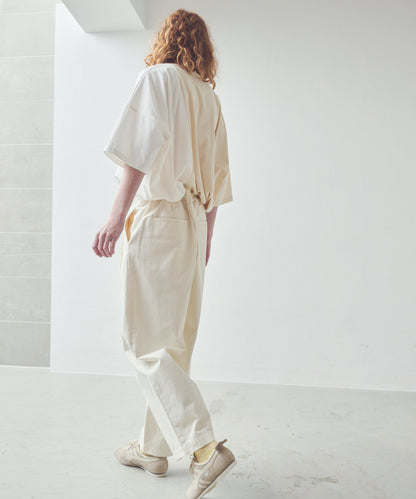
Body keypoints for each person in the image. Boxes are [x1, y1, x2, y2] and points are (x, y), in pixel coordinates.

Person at [92, 8, 236, 498]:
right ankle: (152, 449)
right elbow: (218, 182)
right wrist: (206, 239)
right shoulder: (209, 100)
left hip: (160, 216)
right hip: (194, 224)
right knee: (174, 343)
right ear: (203, 47)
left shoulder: (157, 78)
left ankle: (204, 449)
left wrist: (116, 217)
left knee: (144, 342)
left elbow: (138, 151)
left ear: (167, 39)